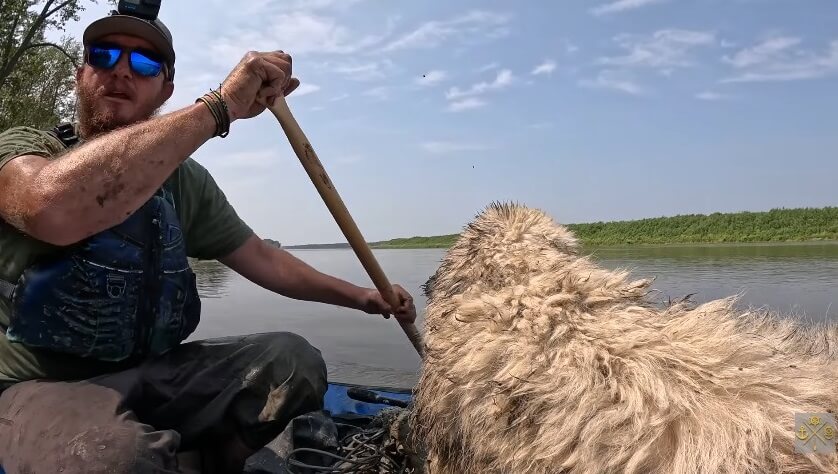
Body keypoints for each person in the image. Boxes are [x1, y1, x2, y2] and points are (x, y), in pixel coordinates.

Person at [0, 8, 417, 474]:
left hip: (153, 373)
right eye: (104, 55)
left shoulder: (186, 183)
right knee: (115, 459)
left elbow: (262, 257)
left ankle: (215, 461)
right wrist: (220, 106)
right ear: (81, 75)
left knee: (293, 363)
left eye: (143, 64)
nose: (121, 69)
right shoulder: (24, 149)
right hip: (38, 385)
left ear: (166, 90)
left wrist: (363, 297)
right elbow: (48, 207)